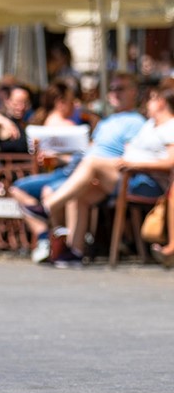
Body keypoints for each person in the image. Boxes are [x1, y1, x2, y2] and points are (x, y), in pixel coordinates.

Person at [25, 79, 174, 267]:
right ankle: (75, 251)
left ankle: (47, 208)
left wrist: (134, 163)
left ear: (161, 102)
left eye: (151, 99)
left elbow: (170, 162)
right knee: (80, 194)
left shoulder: (169, 126)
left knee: (92, 162)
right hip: (127, 174)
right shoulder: (150, 126)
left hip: (144, 181)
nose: (147, 104)